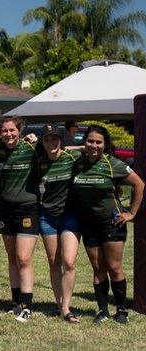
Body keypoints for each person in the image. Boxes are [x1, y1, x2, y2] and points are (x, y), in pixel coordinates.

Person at [71, 125, 144, 324]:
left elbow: (139, 184)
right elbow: (61, 151)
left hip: (112, 222)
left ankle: (121, 310)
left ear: (105, 144)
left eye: (98, 142)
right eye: (90, 141)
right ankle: (102, 311)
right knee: (98, 267)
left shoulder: (113, 164)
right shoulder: (79, 164)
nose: (94, 145)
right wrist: (78, 149)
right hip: (89, 224)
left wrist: (131, 213)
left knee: (114, 266)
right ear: (84, 142)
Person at [0, 115, 40, 322]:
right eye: (4, 131)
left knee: (24, 258)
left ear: (19, 130)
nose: (8, 134)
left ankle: (27, 306)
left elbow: (56, 151)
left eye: (12, 130)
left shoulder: (31, 148)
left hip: (28, 208)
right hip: (5, 208)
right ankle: (16, 303)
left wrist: (37, 140)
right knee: (12, 258)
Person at [36, 124, 81, 323]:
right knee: (54, 263)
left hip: (70, 216)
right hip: (47, 217)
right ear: (42, 142)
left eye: (55, 139)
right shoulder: (40, 163)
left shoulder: (72, 159)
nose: (51, 143)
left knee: (69, 262)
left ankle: (66, 308)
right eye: (47, 139)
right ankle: (59, 305)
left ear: (61, 141)